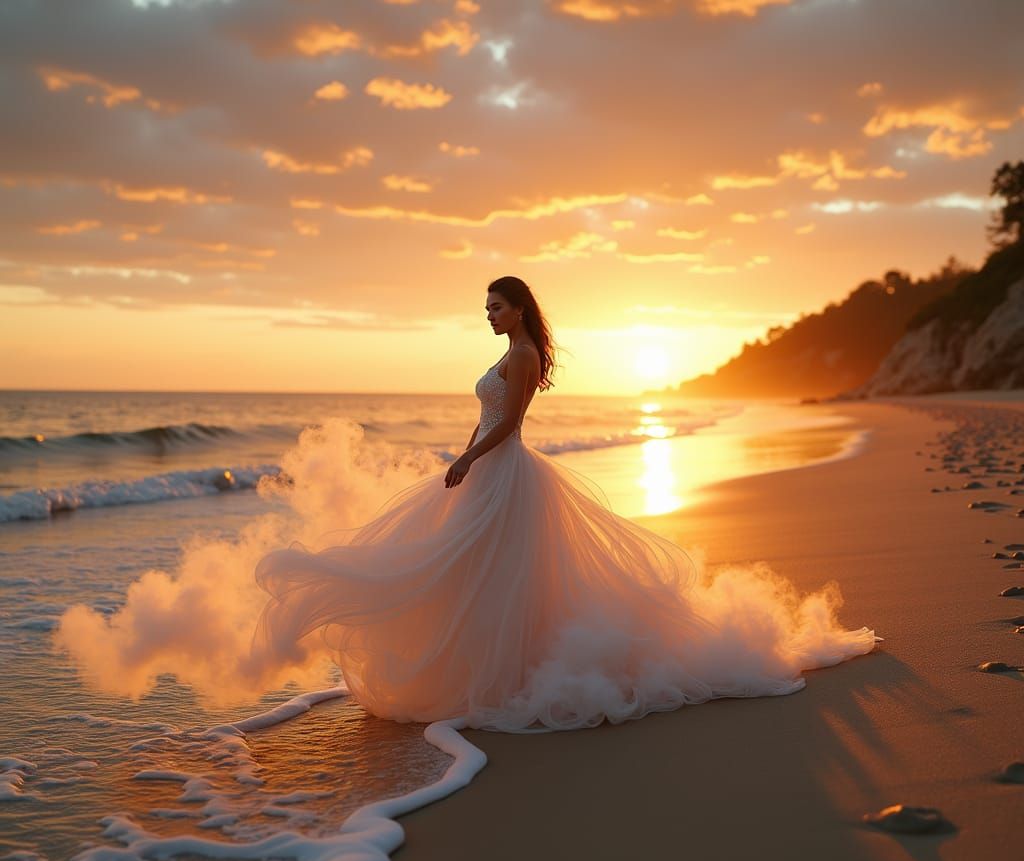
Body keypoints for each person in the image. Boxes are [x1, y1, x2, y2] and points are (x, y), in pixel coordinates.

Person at [252, 276, 876, 732]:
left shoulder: (522, 356)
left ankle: (497, 676)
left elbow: (514, 423)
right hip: (484, 470)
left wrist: (472, 459)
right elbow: (486, 415)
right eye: (485, 308)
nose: (489, 315)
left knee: (490, 573)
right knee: (471, 571)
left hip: (506, 475)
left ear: (519, 308)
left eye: (496, 306)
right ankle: (479, 671)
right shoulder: (505, 353)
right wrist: (463, 453)